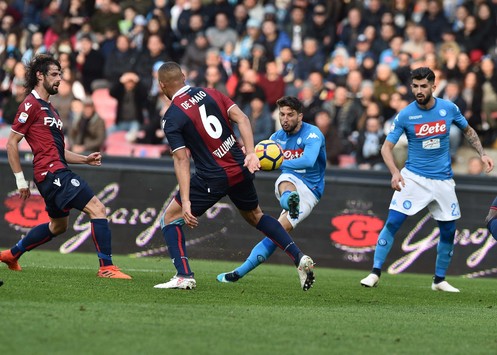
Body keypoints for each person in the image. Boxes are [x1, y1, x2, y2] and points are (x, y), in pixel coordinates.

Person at [154, 62, 315, 290]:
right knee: (256, 216)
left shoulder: (172, 116)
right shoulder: (211, 93)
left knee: (170, 219)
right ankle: (299, 258)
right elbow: (243, 119)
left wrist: (187, 201)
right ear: (184, 76)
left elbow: (181, 159)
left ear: (162, 85)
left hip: (213, 177)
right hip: (239, 168)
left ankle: (183, 275)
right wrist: (250, 154)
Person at [360, 67, 493, 292]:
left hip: (443, 181)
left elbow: (469, 131)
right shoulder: (405, 114)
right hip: (414, 178)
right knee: (392, 223)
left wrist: (482, 154)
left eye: (423, 86)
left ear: (433, 86)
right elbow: (386, 148)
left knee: (449, 231)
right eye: (415, 86)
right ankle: (375, 272)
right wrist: (395, 172)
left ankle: (439, 280)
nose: (419, 90)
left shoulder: (448, 108)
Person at [0, 54, 131, 279]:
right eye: (54, 74)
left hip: (54, 170)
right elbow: (12, 143)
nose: (59, 79)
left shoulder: (51, 110)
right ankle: (107, 268)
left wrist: (85, 159)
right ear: (39, 76)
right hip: (51, 173)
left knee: (58, 227)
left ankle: (12, 254)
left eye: (60, 74)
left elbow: (58, 151)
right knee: (98, 208)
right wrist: (20, 180)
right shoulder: (29, 104)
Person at [217, 96, 326, 284]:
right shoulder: (275, 139)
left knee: (275, 234)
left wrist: (279, 161)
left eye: (290, 115)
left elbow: (308, 160)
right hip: (290, 180)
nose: (285, 119)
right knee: (285, 180)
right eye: (282, 114)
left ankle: (238, 273)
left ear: (300, 116)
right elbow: (257, 156)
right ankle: (291, 200)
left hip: (311, 188)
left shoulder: (313, 134)